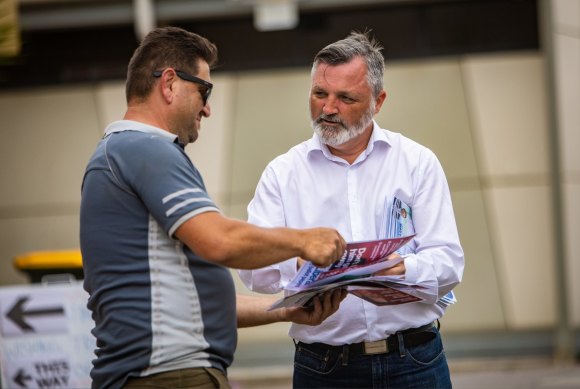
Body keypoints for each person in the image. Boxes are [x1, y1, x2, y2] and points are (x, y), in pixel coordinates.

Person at [79, 26, 348, 389]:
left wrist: (286, 310)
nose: (207, 108)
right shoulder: (144, 148)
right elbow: (220, 242)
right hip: (170, 375)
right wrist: (305, 241)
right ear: (170, 83)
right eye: (204, 90)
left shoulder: (121, 152)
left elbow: (196, 301)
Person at [238, 30, 464, 388]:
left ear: (379, 100)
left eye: (345, 97)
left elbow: (449, 262)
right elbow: (254, 269)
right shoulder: (282, 173)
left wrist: (394, 267)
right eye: (319, 94)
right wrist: (303, 261)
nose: (328, 108)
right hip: (324, 367)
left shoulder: (417, 162)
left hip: (415, 360)